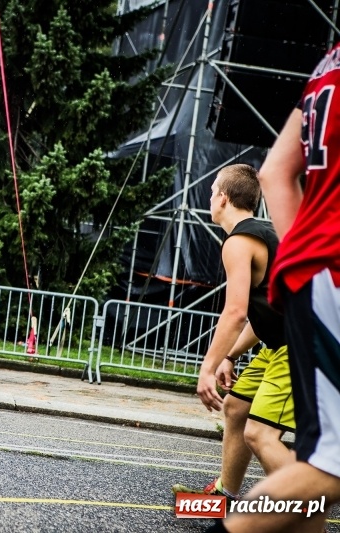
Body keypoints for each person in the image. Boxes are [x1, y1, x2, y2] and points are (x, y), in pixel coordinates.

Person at [212, 44, 340, 533]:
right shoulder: (243, 241)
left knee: (315, 459)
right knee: (322, 466)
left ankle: (228, 497)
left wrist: (301, 260)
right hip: (328, 273)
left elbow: (274, 172)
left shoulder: (325, 66)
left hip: (317, 275)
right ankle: (228, 502)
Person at [173, 164, 293, 500]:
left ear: (223, 198)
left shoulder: (239, 241)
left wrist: (207, 369)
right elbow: (266, 315)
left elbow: (236, 312)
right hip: (279, 345)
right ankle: (224, 494)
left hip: (301, 349)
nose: (210, 197)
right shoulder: (262, 234)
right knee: (237, 408)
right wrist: (229, 355)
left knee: (261, 435)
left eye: (212, 191)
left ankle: (306, 510)